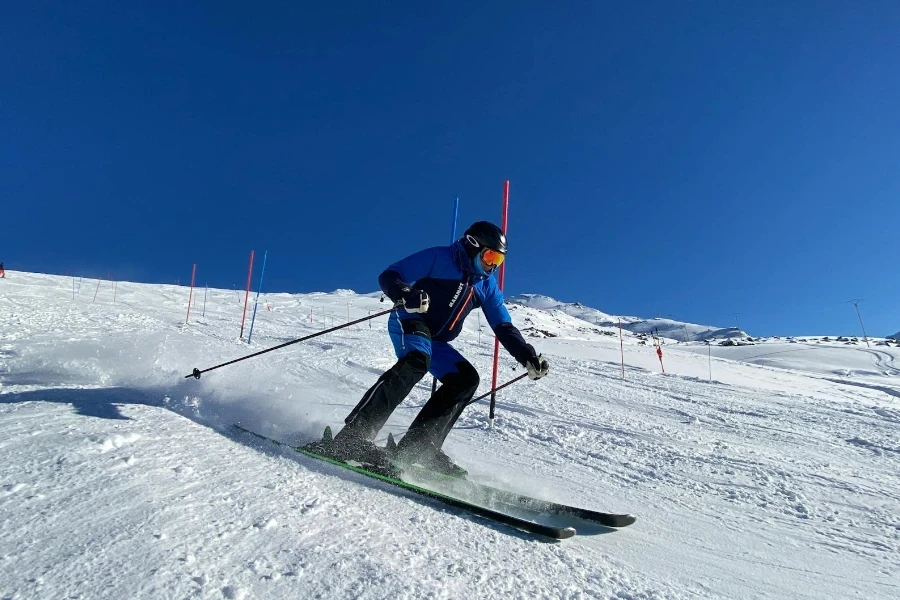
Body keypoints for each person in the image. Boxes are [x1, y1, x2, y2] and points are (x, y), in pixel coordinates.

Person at [328, 221, 550, 476]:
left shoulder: (486, 286)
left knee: (466, 380)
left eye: (498, 261)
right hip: (410, 320)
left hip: (437, 340)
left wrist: (527, 356)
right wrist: (406, 293)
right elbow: (390, 275)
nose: (492, 266)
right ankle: (353, 437)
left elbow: (503, 326)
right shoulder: (439, 257)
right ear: (472, 246)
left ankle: (418, 449)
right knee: (416, 361)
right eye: (490, 256)